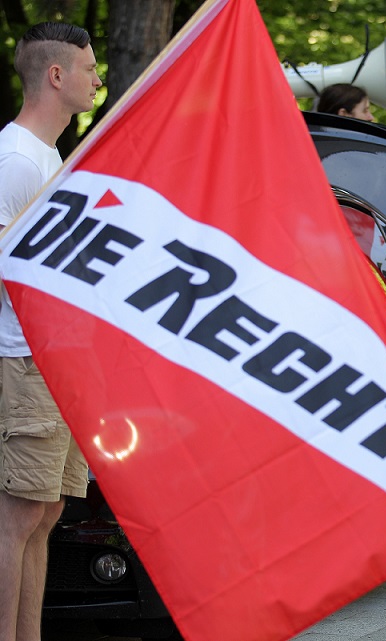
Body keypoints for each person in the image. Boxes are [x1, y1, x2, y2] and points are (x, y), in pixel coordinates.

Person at [0, 22, 101, 641]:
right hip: (23, 355)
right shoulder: (15, 158)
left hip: (59, 359)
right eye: (89, 68)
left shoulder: (47, 155)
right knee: (17, 517)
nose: (98, 79)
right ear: (56, 75)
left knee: (46, 513)